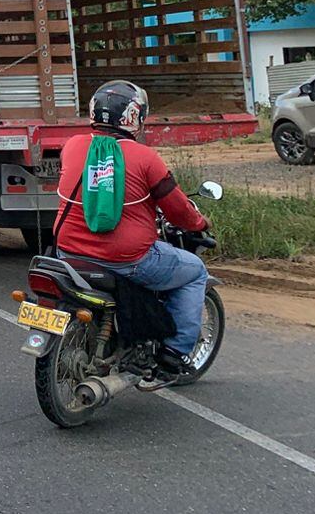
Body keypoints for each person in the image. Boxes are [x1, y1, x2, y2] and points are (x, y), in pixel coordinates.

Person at [54, 80, 212, 382]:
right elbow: (178, 210)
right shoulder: (145, 158)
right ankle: (174, 353)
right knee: (194, 270)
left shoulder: (73, 146)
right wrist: (200, 223)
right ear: (134, 117)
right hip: (126, 259)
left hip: (68, 251)